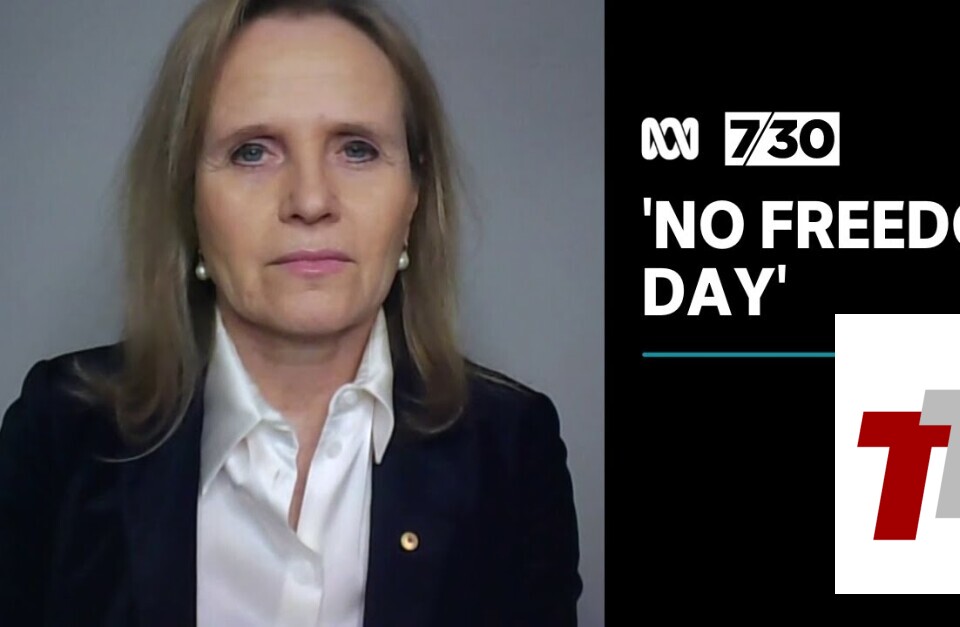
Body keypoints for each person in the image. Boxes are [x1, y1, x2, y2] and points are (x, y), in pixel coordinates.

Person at [0, 0, 582, 625]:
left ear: (414, 196)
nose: (310, 200)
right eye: (253, 152)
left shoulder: (512, 453)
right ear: (187, 197)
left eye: (357, 149)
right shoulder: (59, 433)